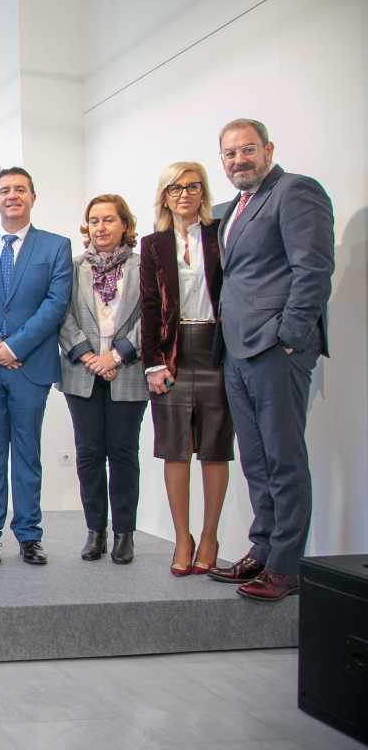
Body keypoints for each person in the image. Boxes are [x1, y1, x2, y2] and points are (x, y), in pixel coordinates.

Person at [208, 118, 334, 602]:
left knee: (283, 457)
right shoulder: (238, 207)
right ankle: (261, 549)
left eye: (247, 150)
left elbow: (314, 267)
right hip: (238, 348)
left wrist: (289, 335)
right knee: (256, 459)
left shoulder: (295, 191)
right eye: (229, 153)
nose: (239, 160)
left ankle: (286, 566)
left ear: (268, 149)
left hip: (275, 349)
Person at [0, 167, 72, 565]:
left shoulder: (55, 247)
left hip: (30, 366)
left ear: (33, 197)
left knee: (27, 455)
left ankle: (29, 536)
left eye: (20, 189)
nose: (12, 195)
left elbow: (56, 303)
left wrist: (16, 345)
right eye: (5, 190)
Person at [139, 162, 233, 577]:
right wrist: (153, 363)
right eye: (175, 188)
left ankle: (210, 536)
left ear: (203, 192)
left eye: (192, 187)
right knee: (175, 450)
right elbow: (148, 306)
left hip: (217, 349)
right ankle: (183, 537)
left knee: (214, 449)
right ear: (164, 195)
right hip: (173, 353)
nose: (184, 195)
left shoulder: (221, 233)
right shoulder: (153, 244)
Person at [58, 194, 147, 564]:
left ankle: (124, 533)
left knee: (123, 454)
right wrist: (91, 357)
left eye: (109, 220)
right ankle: (95, 530)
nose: (101, 227)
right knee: (89, 454)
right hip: (83, 372)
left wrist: (117, 354)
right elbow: (62, 316)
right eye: (94, 220)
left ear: (124, 224)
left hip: (128, 369)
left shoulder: (145, 267)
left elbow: (154, 315)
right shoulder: (73, 267)